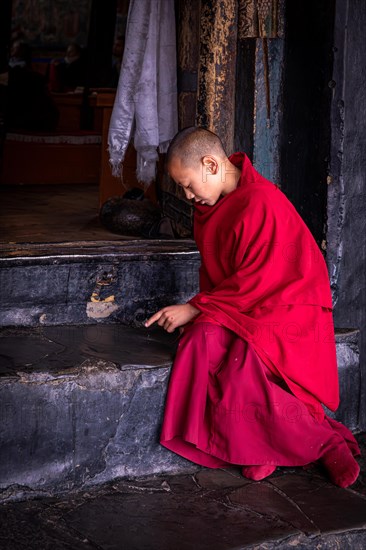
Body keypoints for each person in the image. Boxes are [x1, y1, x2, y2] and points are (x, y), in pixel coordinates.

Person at [144, 126, 361, 488]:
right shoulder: (210, 202)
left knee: (245, 358)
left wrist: (196, 307)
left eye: (188, 185)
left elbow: (262, 279)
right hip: (241, 302)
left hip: (288, 304)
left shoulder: (261, 201)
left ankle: (325, 442)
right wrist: (203, 313)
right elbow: (219, 273)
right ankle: (260, 448)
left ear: (211, 165)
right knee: (202, 342)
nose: (187, 196)